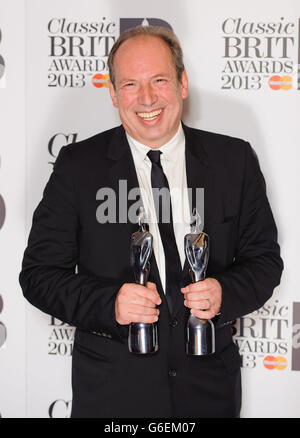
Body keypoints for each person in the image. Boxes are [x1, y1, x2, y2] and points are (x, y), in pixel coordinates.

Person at [19, 25, 283, 418]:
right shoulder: (78, 168)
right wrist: (111, 304)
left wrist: (224, 294)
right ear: (112, 93)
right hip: (114, 395)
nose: (146, 98)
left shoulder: (235, 161)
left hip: (210, 390)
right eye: (130, 84)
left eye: (159, 80)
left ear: (183, 83)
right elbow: (38, 275)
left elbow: (265, 262)